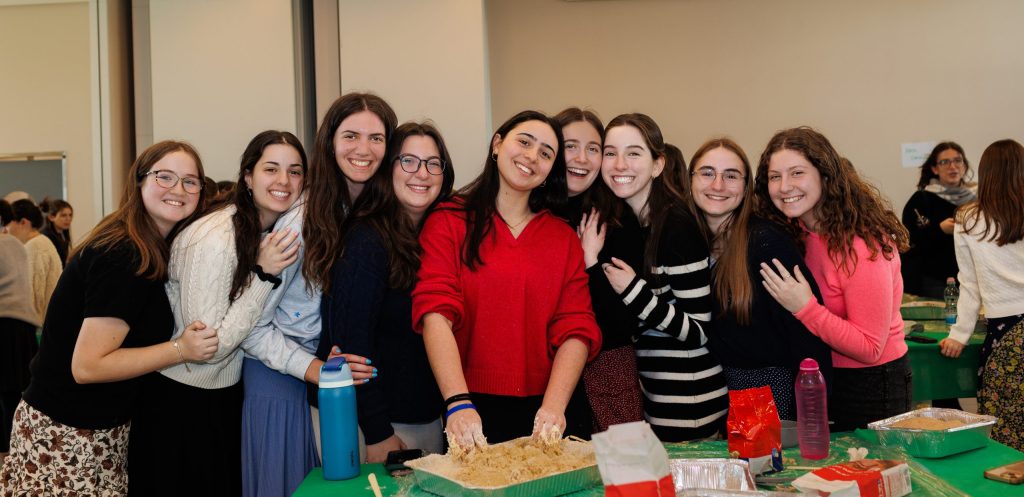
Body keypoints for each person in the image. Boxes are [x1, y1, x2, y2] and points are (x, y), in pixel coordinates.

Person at [0, 141, 215, 495]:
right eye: (165, 177)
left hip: (94, 428)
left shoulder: (149, 246)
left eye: (191, 181)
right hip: (67, 433)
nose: (178, 189)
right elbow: (89, 367)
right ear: (139, 182)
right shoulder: (125, 254)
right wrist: (182, 349)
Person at [413, 110, 602, 451]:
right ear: (498, 144)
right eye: (525, 142)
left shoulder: (562, 238)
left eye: (546, 153)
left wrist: (555, 408)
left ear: (549, 173)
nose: (532, 156)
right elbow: (435, 313)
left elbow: (577, 328)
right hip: (470, 409)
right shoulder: (449, 220)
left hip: (550, 410)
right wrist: (457, 402)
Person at [127, 131, 302, 496]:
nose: (284, 181)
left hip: (218, 395)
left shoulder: (259, 230)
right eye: (271, 169)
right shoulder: (217, 238)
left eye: (295, 171)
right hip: (180, 401)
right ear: (248, 177)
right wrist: (263, 276)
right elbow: (211, 347)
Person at [756, 127, 911, 431]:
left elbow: (870, 348)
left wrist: (805, 307)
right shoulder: (796, 231)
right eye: (775, 176)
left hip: (872, 384)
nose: (785, 186)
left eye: (797, 173)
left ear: (824, 175)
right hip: (822, 374)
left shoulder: (863, 243)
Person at [587, 113, 727, 442]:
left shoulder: (677, 226)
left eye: (634, 153)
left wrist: (633, 291)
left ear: (657, 165)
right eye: (610, 153)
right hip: (659, 394)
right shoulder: (638, 224)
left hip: (690, 401)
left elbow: (698, 332)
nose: (620, 164)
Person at [320, 121, 454, 463]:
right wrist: (378, 432)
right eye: (408, 161)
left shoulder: (439, 237)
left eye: (433, 163)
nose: (421, 173)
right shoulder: (367, 240)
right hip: (379, 424)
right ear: (388, 169)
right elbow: (353, 347)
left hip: (425, 416)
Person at [686, 138, 831, 420]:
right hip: (714, 391)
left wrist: (813, 416)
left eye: (731, 176)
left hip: (765, 392)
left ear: (746, 186)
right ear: (690, 180)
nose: (717, 185)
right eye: (707, 173)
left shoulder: (765, 243)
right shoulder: (689, 241)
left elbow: (806, 336)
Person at [301, 92, 398, 454]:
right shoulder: (304, 215)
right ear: (330, 142)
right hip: (318, 386)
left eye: (376, 138)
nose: (364, 149)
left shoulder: (384, 214)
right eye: (351, 136)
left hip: (347, 385)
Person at [557, 107, 645, 434]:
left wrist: (589, 262)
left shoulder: (616, 217)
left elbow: (623, 322)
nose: (582, 158)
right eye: (570, 146)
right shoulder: (532, 210)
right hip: (544, 374)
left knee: (621, 480)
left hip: (606, 369)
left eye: (593, 148)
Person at [939, 139, 1024, 451]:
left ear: (984, 174)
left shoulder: (967, 219)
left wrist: (960, 334)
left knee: (1007, 432)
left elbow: (970, 284)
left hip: (1004, 334)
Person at [901, 142, 975, 298]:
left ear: (964, 165)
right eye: (945, 162)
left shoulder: (977, 200)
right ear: (935, 169)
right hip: (935, 281)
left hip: (973, 278)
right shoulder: (921, 199)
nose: (952, 166)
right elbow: (909, 240)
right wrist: (939, 230)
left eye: (957, 160)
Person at [0, 200, 40, 458]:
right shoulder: (16, 243)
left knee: (4, 397)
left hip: (2, 325)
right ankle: (22, 452)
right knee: (19, 394)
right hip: (24, 327)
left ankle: (6, 455)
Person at [4, 199, 62, 323]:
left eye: (8, 224)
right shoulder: (38, 243)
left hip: (41, 326)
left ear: (23, 222)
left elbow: (34, 298)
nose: (5, 230)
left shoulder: (35, 247)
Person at [40, 199, 73, 266]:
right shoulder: (46, 236)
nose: (68, 219)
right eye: (63, 215)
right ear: (51, 217)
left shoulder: (63, 234)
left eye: (70, 215)